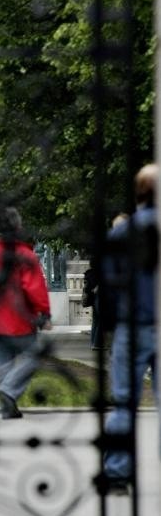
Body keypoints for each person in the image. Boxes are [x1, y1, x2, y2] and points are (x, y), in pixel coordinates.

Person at [103, 164, 158, 486]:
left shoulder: (123, 231)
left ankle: (118, 470)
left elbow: (110, 282)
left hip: (133, 322)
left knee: (124, 401)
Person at [0, 208, 51, 418]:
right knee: (34, 355)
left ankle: (7, 407)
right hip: (21, 317)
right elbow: (33, 287)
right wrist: (44, 313)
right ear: (18, 227)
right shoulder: (25, 254)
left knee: (4, 361)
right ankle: (9, 391)